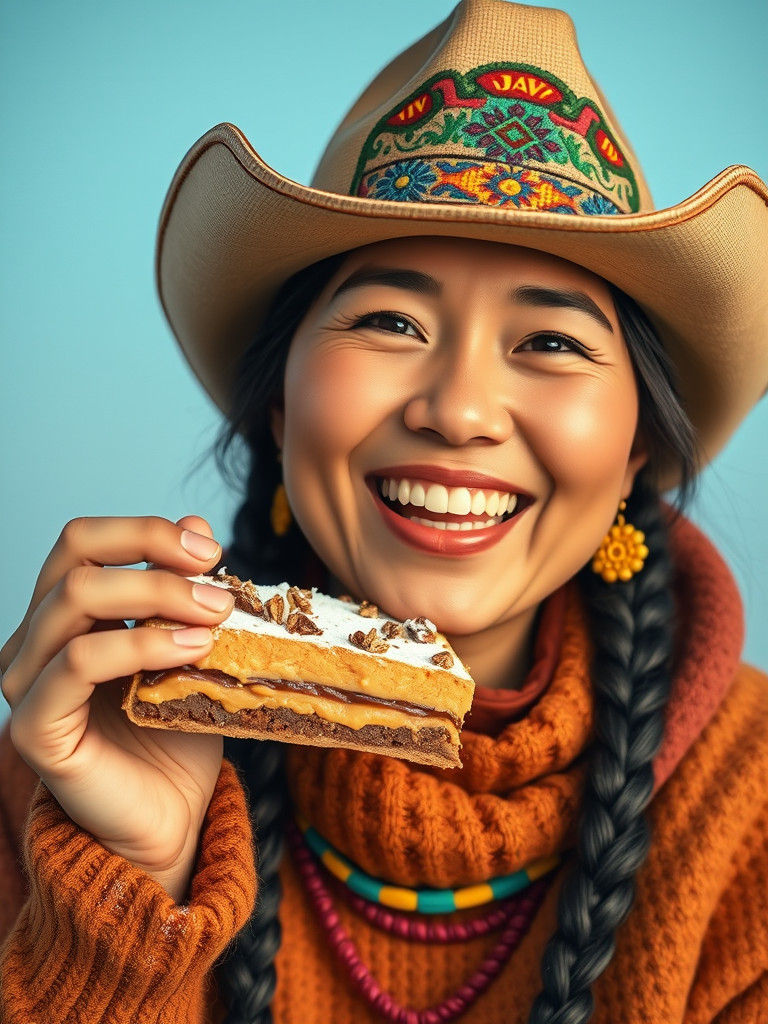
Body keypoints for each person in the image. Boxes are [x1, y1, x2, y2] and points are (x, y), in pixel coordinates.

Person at [1, 1, 767, 1022]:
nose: (455, 410)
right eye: (390, 320)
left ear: (638, 447)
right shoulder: (74, 766)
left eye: (549, 342)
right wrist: (130, 887)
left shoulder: (751, 813)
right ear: (278, 404)